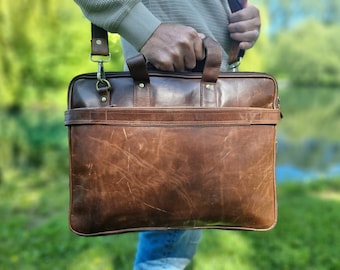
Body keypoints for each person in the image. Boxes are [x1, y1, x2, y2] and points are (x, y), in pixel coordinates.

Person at [74, 0, 261, 269]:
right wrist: (145, 28)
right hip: (166, 85)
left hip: (211, 92)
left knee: (177, 234)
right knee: (169, 242)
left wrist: (244, 19)